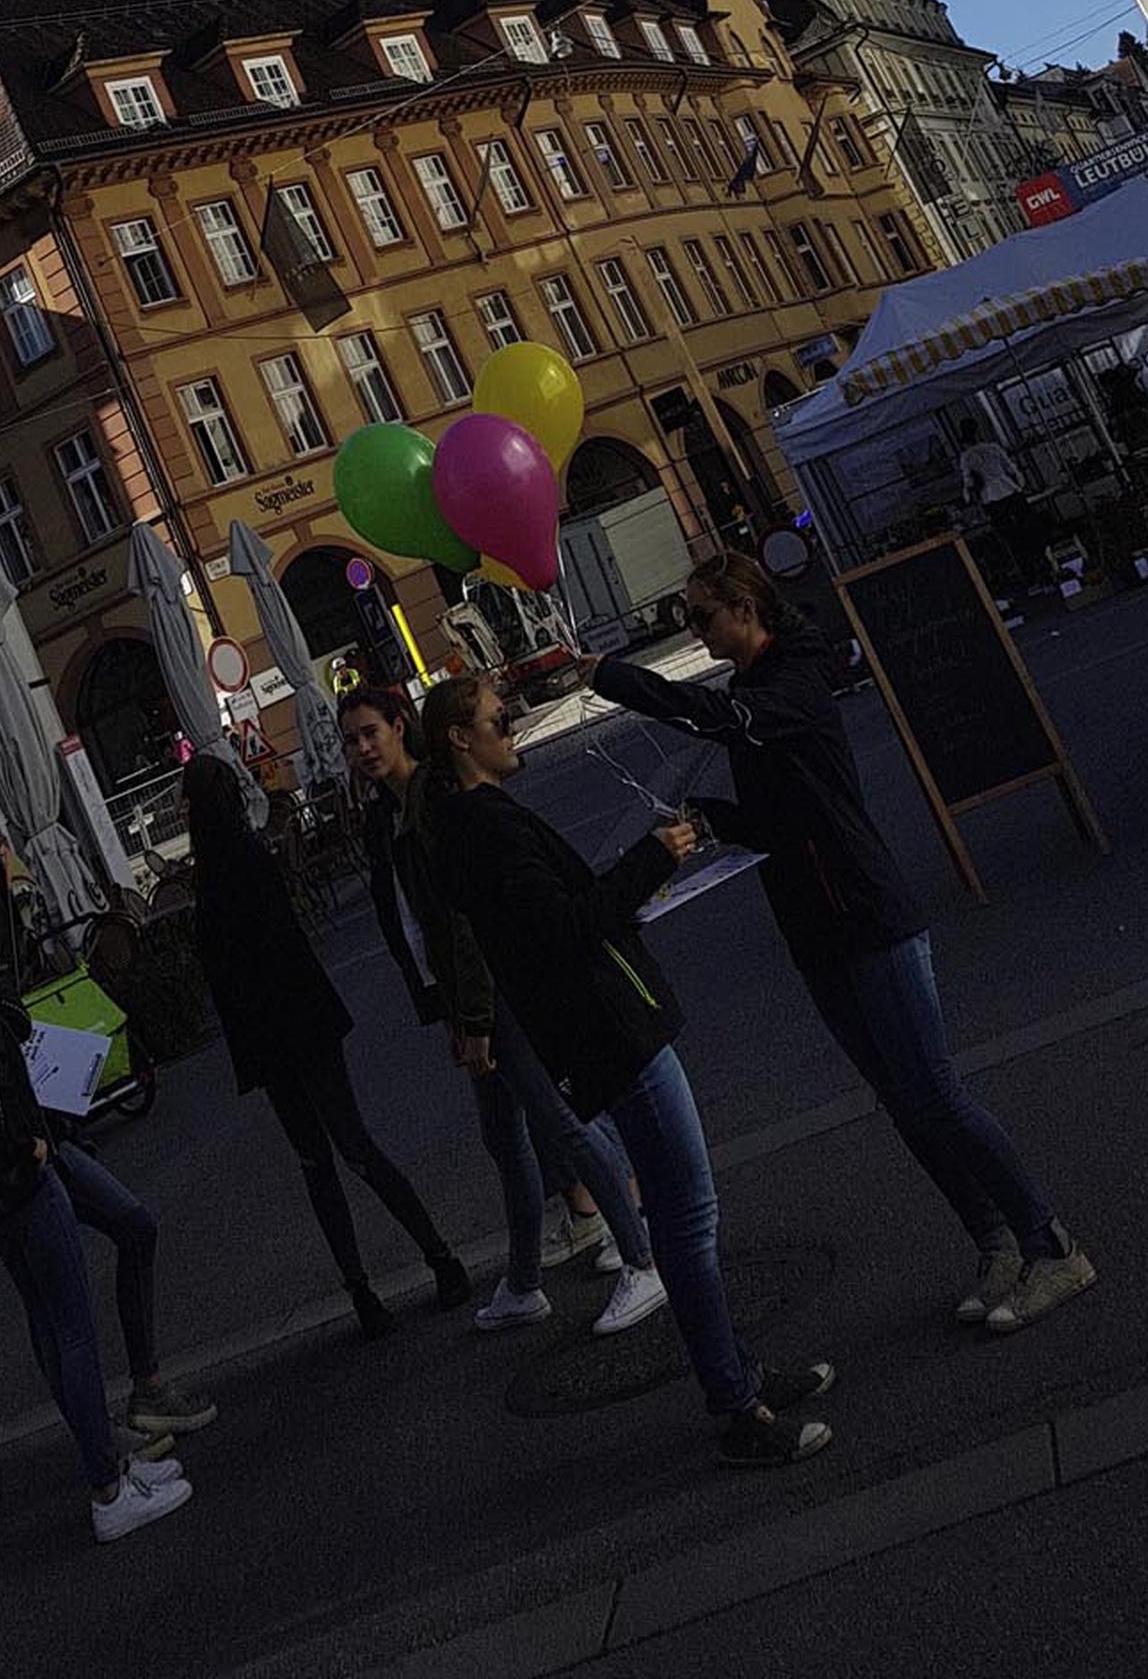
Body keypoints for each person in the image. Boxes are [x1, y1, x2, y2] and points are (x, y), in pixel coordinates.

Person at [579, 558, 1094, 1336]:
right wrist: (710, 816)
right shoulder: (760, 690)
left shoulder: (791, 681)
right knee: (903, 1104)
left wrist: (616, 678)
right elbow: (784, 816)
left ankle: (1051, 1243)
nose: (693, 630)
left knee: (935, 1093)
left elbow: (728, 721)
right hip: (814, 926)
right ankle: (994, 1243)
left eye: (700, 615)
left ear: (746, 608)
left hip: (865, 908)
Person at [423, 673, 834, 1469]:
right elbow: (566, 928)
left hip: (604, 1028)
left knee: (688, 1211)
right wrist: (651, 858)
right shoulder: (487, 828)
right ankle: (734, 1401)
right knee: (686, 1216)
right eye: (494, 718)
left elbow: (549, 921)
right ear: (458, 739)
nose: (510, 724)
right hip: (613, 1033)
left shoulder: (472, 823)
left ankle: (741, 1375)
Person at [0, 870, 210, 1543]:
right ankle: (108, 1480)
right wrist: (28, 1146)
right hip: (27, 1173)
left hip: (0, 1187)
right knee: (70, 1325)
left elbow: (7, 1037)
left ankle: (109, 1458)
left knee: (57, 1317)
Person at [339, 681, 666, 1336]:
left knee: (561, 1121)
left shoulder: (433, 800)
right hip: (470, 999)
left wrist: (477, 1016)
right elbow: (414, 924)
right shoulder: (389, 813)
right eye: (351, 740)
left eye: (370, 731)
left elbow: (462, 920)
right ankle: (523, 1281)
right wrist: (446, 1007)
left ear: (402, 726)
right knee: (506, 1135)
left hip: (497, 990)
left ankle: (643, 1256)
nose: (361, 748)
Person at [184, 747, 468, 1337]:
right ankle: (438, 1255)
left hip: (266, 1043)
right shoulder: (253, 860)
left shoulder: (204, 884)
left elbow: (219, 978)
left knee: (317, 1164)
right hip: (307, 1025)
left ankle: (361, 1291)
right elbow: (288, 944)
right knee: (357, 1145)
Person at [954, 416, 1051, 608]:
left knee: (1013, 541)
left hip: (992, 499)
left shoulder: (966, 457)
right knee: (1032, 532)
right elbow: (1012, 469)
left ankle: (1031, 580)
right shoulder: (993, 447)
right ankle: (1047, 572)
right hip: (1011, 491)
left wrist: (971, 498)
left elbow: (969, 485)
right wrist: (1020, 487)